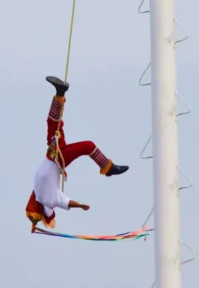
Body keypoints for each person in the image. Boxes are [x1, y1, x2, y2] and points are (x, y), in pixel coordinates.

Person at [25, 76, 129, 230]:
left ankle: (60, 93)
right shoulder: (49, 200)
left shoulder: (38, 193)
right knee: (88, 145)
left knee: (54, 123)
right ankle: (108, 168)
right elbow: (66, 202)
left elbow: (37, 210)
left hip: (52, 152)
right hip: (59, 159)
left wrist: (34, 223)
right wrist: (80, 205)